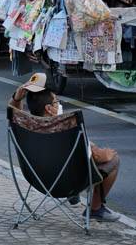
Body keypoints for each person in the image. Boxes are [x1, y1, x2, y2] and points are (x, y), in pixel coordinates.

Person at [8, 73, 121, 222]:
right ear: (49, 108)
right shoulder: (66, 127)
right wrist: (100, 154)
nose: (58, 104)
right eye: (56, 102)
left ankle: (76, 197)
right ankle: (95, 208)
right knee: (113, 159)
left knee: (74, 154)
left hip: (36, 178)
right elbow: (94, 155)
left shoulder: (25, 126)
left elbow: (14, 111)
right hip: (67, 182)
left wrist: (17, 97)